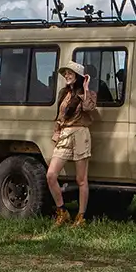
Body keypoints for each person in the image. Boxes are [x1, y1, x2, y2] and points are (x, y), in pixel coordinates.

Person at [46, 60, 98, 227]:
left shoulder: (87, 93)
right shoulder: (64, 93)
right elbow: (60, 116)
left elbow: (89, 108)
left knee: (81, 179)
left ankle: (81, 217)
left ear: (78, 76)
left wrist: (86, 88)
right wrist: (56, 132)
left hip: (81, 134)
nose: (67, 76)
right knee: (51, 175)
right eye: (66, 73)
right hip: (65, 134)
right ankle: (62, 211)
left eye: (70, 73)